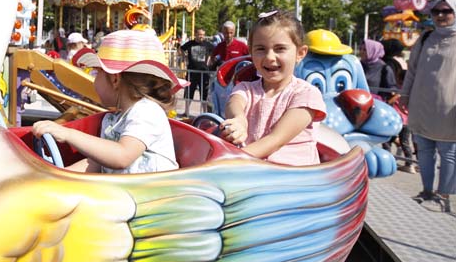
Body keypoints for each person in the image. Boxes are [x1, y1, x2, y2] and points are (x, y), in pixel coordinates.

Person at [32, 29, 183, 174]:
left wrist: (67, 134)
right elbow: (97, 163)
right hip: (126, 190)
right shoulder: (113, 119)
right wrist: (60, 176)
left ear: (114, 79)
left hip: (154, 191)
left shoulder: (147, 111)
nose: (94, 80)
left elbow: (122, 156)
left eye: (97, 73)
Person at [219, 10, 326, 166]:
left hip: (292, 176)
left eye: (280, 48)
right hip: (252, 171)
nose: (269, 57)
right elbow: (234, 103)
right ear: (251, 52)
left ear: (300, 53)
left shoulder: (306, 94)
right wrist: (239, 119)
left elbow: (275, 140)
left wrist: (231, 161)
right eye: (261, 49)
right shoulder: (246, 88)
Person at [401, 0, 456, 213]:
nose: (440, 15)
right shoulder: (425, 38)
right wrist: (405, 94)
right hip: (421, 103)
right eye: (436, 11)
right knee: (423, 150)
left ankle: (444, 195)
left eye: (446, 11)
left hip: (449, 107)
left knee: (448, 152)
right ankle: (426, 191)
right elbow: (412, 70)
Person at [381, 38, 414, 173]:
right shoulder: (399, 62)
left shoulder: (388, 64)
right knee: (401, 140)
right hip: (406, 118)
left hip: (394, 112)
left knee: (388, 137)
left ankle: (390, 161)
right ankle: (407, 162)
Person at [179, 28, 212, 115]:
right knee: (189, 91)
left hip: (204, 72)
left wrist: (209, 61)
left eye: (203, 35)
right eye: (200, 34)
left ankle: (205, 113)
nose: (201, 36)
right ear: (196, 34)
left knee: (204, 93)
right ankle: (186, 112)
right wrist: (184, 58)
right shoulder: (190, 43)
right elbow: (181, 49)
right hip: (192, 72)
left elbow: (214, 52)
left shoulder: (207, 44)